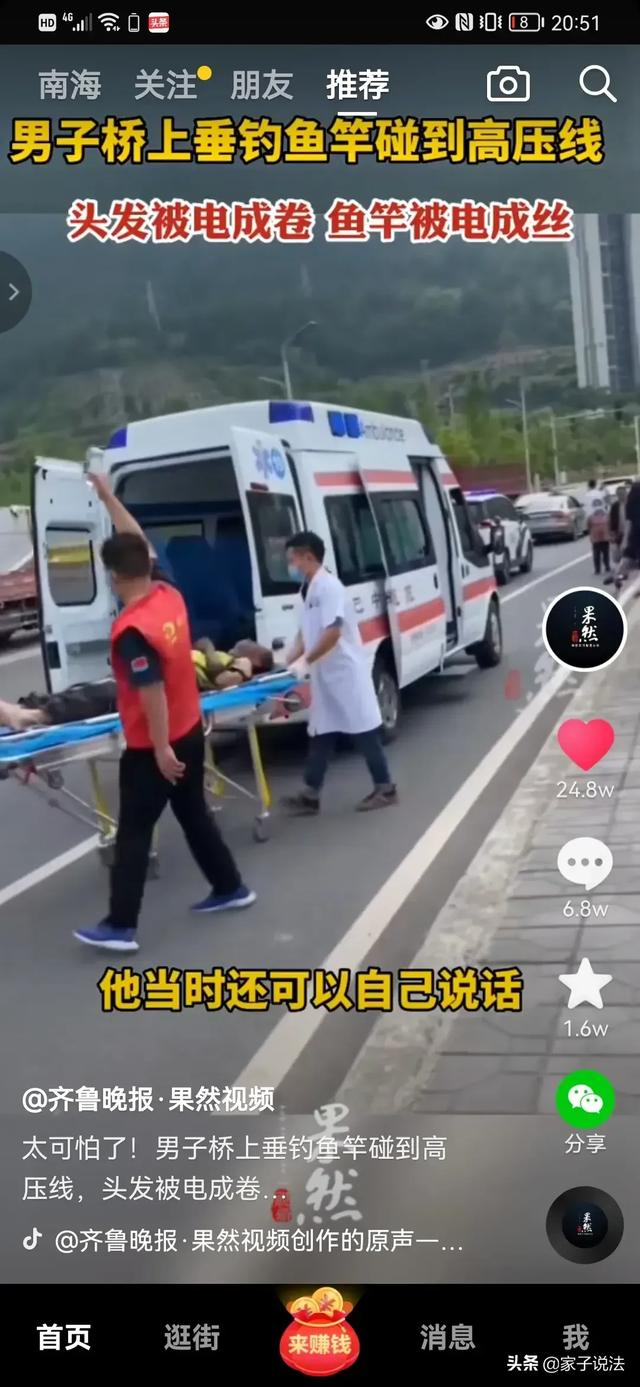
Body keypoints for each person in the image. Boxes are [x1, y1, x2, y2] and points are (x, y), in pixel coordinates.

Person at [72, 531, 255, 953]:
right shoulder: (168, 595)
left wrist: (159, 748)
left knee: (134, 832)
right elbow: (140, 542)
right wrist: (108, 499)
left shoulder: (133, 630)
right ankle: (229, 886)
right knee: (193, 814)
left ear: (114, 577)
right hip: (189, 729)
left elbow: (150, 690)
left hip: (155, 746)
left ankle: (120, 925)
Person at [281, 530, 397, 815]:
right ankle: (310, 794)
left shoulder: (329, 587)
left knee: (363, 729)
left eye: (293, 559)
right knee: (322, 730)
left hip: (344, 673)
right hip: (325, 674)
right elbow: (307, 630)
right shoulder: (308, 588)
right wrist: (290, 657)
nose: (290, 565)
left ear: (308, 557)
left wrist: (305, 661)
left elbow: (332, 632)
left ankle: (385, 787)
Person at [0, 638, 274, 732]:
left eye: (251, 643)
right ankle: (28, 708)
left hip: (164, 686)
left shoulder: (243, 665)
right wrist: (210, 651)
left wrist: (214, 657)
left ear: (256, 657)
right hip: (159, 674)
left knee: (97, 698)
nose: (246, 640)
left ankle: (33, 716)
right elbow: (201, 642)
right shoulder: (225, 655)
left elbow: (222, 682)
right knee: (89, 690)